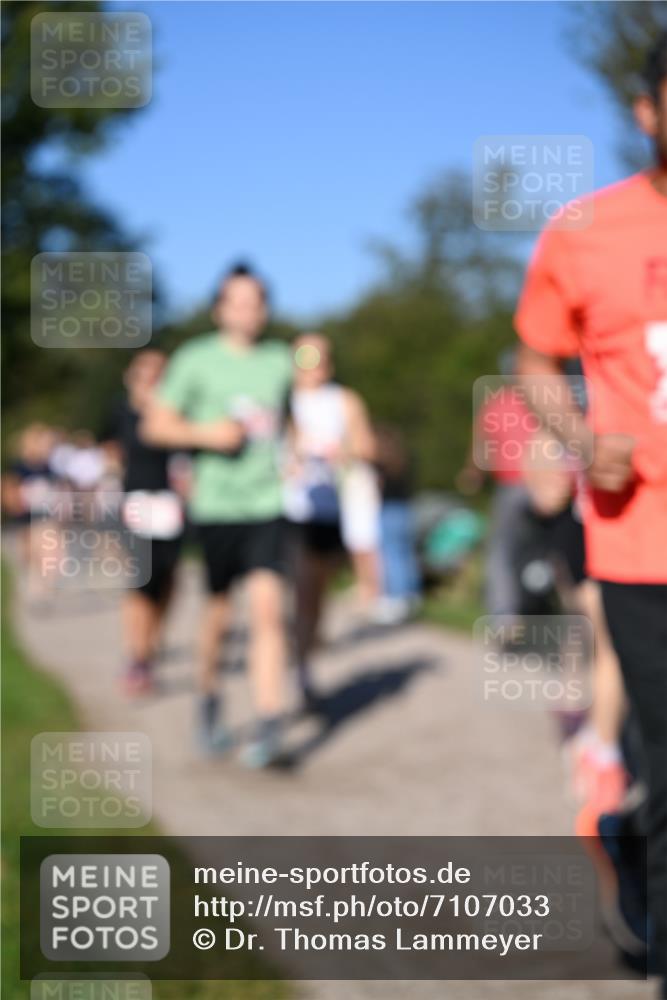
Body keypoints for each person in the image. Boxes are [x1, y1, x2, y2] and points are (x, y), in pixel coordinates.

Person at [515, 32, 667, 991]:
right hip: (639, 545)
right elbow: (533, 359)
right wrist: (576, 439)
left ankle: (618, 831)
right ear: (647, 113)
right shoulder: (582, 232)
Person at [143, 263, 292, 767]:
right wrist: (210, 435)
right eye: (238, 302)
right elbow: (156, 426)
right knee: (220, 615)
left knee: (269, 609)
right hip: (217, 506)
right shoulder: (195, 359)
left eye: (257, 302)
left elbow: (296, 417)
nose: (249, 311)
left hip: (267, 503)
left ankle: (270, 723)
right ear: (220, 308)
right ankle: (208, 703)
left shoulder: (279, 361)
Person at [284, 333, 378, 704]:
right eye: (304, 357)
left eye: (318, 357)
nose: (312, 365)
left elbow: (367, 446)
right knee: (285, 591)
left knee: (313, 596)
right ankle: (285, 671)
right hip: (284, 510)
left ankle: (302, 665)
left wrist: (342, 451)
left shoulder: (344, 400)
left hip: (326, 512)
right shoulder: (281, 398)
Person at [102, 350, 184, 696]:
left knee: (167, 579)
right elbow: (108, 449)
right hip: (134, 503)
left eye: (157, 372)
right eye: (144, 372)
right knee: (140, 581)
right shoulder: (120, 411)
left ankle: (151, 641)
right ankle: (137, 655)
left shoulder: (173, 411)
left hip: (170, 505)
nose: (150, 378)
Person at [373, 424, 421, 625]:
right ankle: (412, 596)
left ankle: (397, 600)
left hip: (388, 511)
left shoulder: (380, 464)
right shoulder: (402, 461)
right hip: (405, 510)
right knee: (406, 554)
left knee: (391, 556)